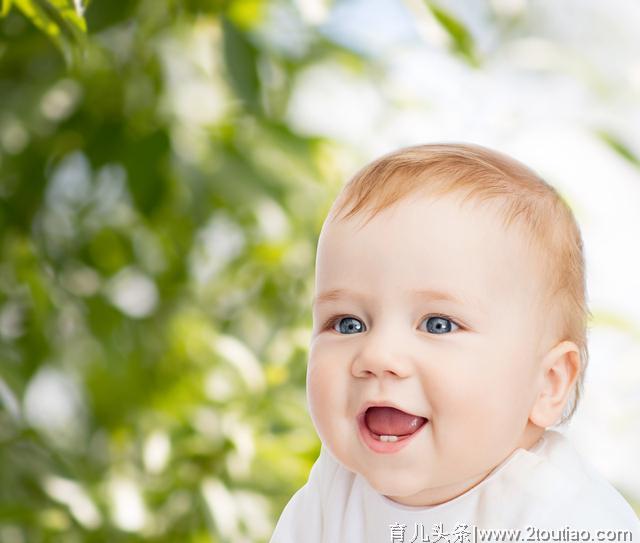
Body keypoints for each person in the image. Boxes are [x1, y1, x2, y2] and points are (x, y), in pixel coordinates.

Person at [269, 143, 640, 543]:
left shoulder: (566, 518)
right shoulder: (333, 492)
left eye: (438, 324)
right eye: (348, 324)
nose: (376, 356)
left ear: (547, 382)